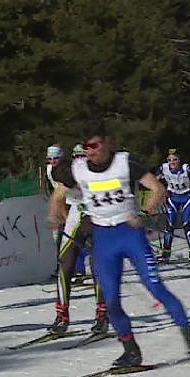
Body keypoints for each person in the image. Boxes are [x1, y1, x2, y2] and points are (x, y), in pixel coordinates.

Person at [49, 123, 190, 367]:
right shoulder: (77, 169)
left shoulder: (125, 163)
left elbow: (157, 188)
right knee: (110, 300)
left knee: (154, 286)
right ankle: (130, 349)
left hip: (130, 234)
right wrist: (55, 217)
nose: (91, 152)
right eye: (86, 147)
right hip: (103, 239)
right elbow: (57, 195)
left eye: (95, 146)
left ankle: (187, 330)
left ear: (108, 143)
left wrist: (144, 212)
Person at [44, 144, 107, 336]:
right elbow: (58, 196)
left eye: (84, 155)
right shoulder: (61, 171)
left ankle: (102, 315)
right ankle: (62, 317)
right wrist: (58, 218)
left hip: (97, 219)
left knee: (99, 268)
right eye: (77, 156)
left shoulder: (102, 169)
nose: (82, 159)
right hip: (76, 217)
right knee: (65, 265)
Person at [155, 149, 190, 264]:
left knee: (186, 223)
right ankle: (166, 252)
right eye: (169, 160)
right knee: (170, 224)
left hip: (187, 197)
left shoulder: (186, 169)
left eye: (175, 160)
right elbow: (154, 180)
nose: (172, 162)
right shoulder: (164, 168)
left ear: (179, 160)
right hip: (173, 197)